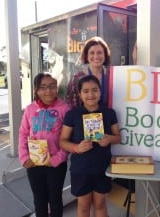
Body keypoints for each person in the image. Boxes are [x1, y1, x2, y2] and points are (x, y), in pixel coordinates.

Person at [60, 75, 121, 217]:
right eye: (86, 91)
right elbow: (62, 141)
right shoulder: (72, 114)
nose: (90, 94)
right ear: (80, 94)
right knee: (83, 207)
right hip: (81, 169)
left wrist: (109, 139)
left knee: (100, 205)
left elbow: (118, 138)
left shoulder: (109, 113)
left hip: (102, 168)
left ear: (100, 92)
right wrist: (76, 148)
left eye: (94, 90)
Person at [18, 73, 70, 217]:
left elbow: (69, 138)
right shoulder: (30, 109)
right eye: (43, 87)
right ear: (37, 90)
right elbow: (23, 133)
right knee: (39, 201)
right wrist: (24, 157)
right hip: (34, 163)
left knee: (55, 201)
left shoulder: (65, 109)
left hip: (56, 165)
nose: (48, 91)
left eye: (52, 86)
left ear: (57, 88)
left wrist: (57, 159)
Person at [66, 36, 111, 108]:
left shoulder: (111, 76)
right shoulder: (76, 79)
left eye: (99, 53)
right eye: (92, 53)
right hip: (83, 118)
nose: (96, 56)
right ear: (86, 56)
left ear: (105, 55)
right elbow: (71, 106)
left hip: (110, 118)